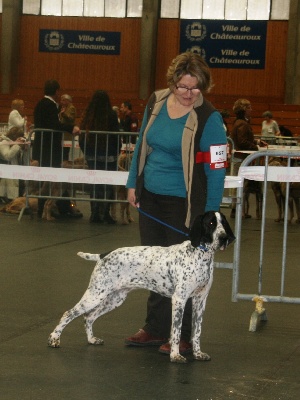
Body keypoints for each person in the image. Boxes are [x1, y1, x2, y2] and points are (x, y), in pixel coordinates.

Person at [124, 52, 227, 355]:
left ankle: (182, 337)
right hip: (151, 197)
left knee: (187, 276)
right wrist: (133, 183)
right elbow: (143, 140)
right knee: (155, 268)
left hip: (185, 204)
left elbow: (217, 171)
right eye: (182, 87)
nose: (188, 94)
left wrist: (209, 216)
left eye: (195, 88)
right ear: (172, 83)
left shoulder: (210, 118)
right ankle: (155, 329)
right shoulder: (156, 102)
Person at [32, 79, 81, 218]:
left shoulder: (40, 104)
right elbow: (54, 125)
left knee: (47, 179)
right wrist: (71, 128)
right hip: (50, 149)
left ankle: (58, 207)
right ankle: (61, 207)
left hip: (41, 146)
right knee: (54, 179)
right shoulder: (51, 105)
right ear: (56, 91)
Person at [79, 90, 120, 224]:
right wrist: (116, 151)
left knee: (95, 185)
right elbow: (116, 135)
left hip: (92, 155)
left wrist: (86, 151)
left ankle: (95, 213)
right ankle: (106, 213)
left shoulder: (89, 115)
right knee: (108, 185)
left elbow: (82, 136)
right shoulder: (111, 115)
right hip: (109, 155)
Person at [230, 99, 267, 218]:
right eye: (249, 107)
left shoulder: (240, 122)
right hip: (241, 159)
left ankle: (238, 210)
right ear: (244, 110)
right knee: (240, 185)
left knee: (239, 185)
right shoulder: (242, 123)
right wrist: (256, 147)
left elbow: (244, 139)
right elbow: (242, 142)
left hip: (240, 158)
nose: (251, 109)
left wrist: (256, 141)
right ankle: (237, 211)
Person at [0, 127, 29, 200]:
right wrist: (17, 145)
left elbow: (24, 161)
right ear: (14, 136)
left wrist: (24, 149)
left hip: (17, 172)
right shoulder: (3, 143)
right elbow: (7, 156)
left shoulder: (14, 143)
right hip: (6, 174)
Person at [59, 94, 77, 161]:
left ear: (68, 101)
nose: (61, 102)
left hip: (67, 134)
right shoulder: (63, 108)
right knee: (62, 152)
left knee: (65, 152)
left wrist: (63, 114)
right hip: (63, 133)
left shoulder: (71, 108)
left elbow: (71, 118)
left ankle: (65, 164)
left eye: (63, 100)